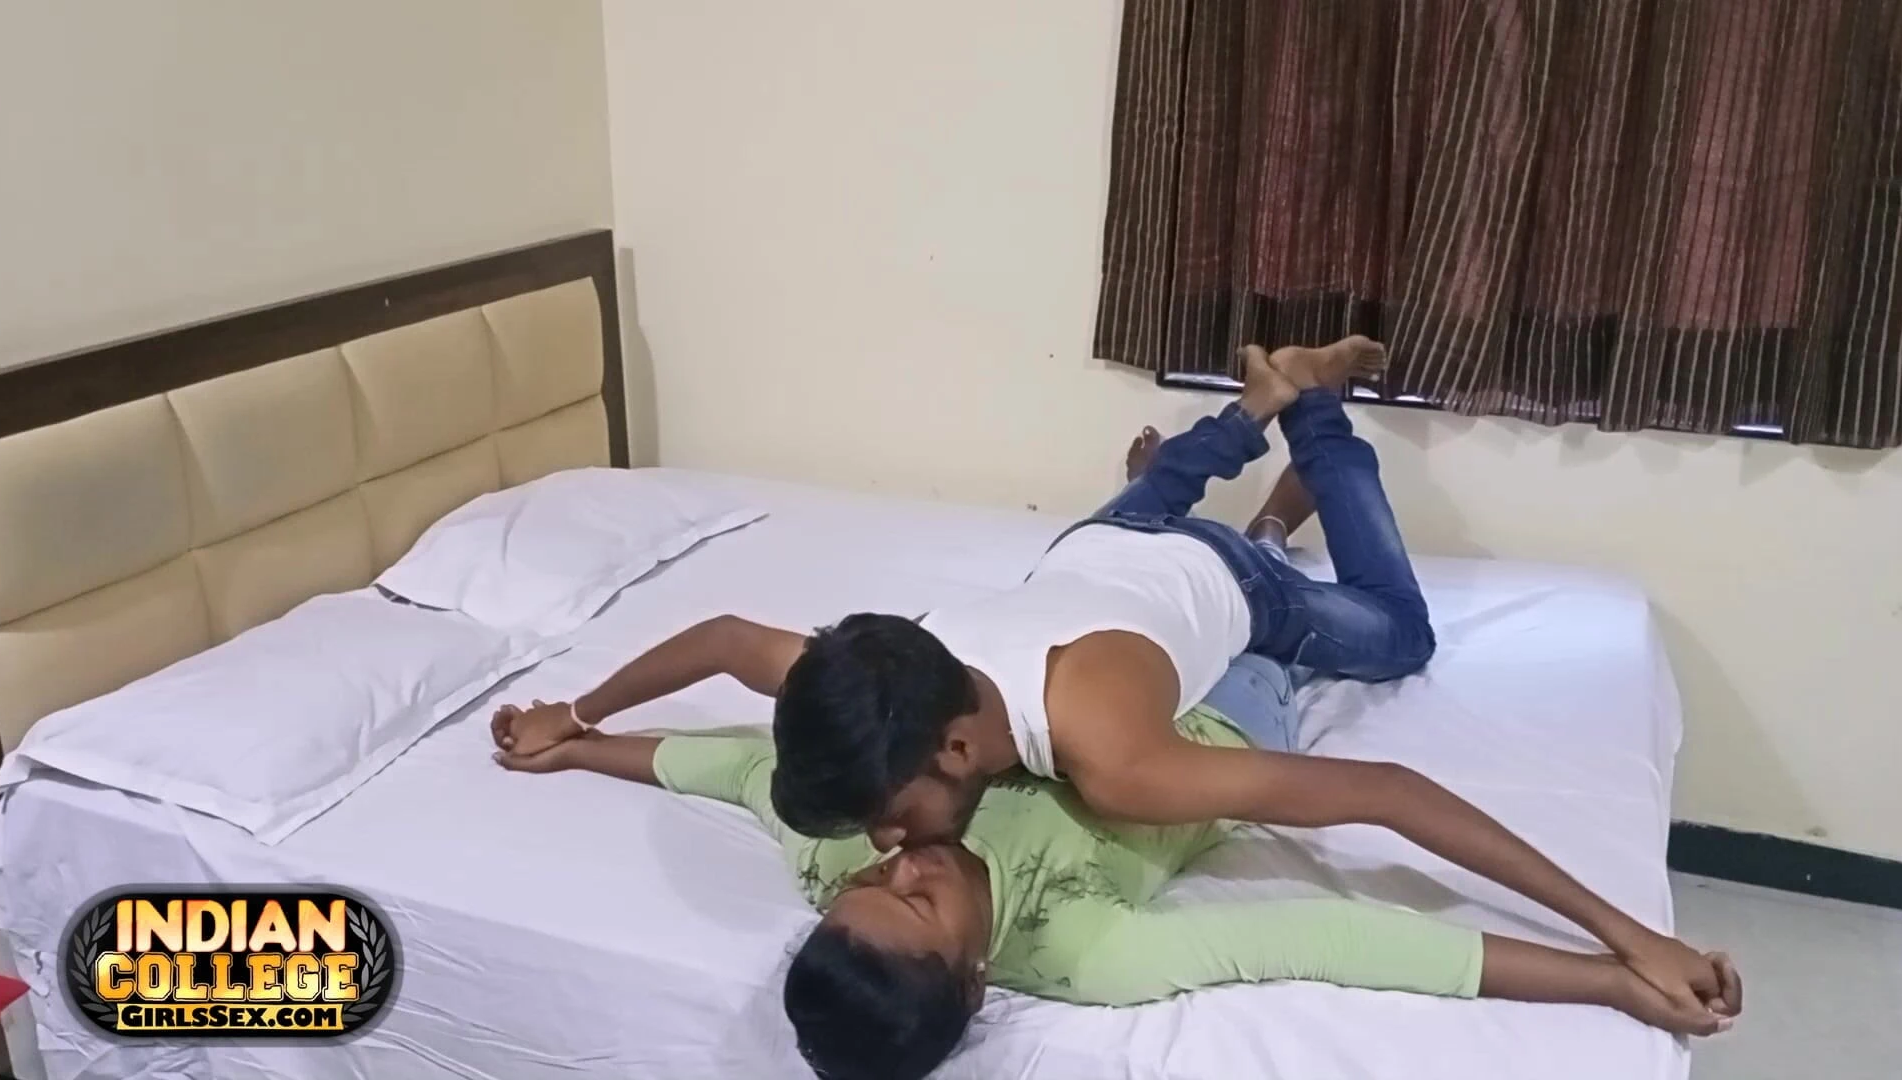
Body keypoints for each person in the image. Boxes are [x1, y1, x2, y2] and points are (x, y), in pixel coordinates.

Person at [492, 337, 1734, 1019]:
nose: (889, 849)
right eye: (887, 858)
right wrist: (576, 718)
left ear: (957, 752)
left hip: (1209, 590)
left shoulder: (1121, 761)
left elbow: (1386, 797)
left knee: (1392, 631)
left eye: (891, 823)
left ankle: (1310, 421)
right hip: (1090, 559)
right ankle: (1242, 419)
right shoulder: (875, 676)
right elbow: (723, 641)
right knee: (1133, 513)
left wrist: (1627, 942)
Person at [493, 706, 1742, 1080]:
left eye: (869, 880)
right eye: (914, 899)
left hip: (1065, 686)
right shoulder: (1083, 948)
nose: (899, 861)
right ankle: (1285, 465)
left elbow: (727, 766)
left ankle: (1191, 486)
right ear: (975, 980)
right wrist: (1610, 977)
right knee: (1345, 620)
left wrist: (575, 740)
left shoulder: (833, 853)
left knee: (1146, 539)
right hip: (1215, 722)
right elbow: (1342, 938)